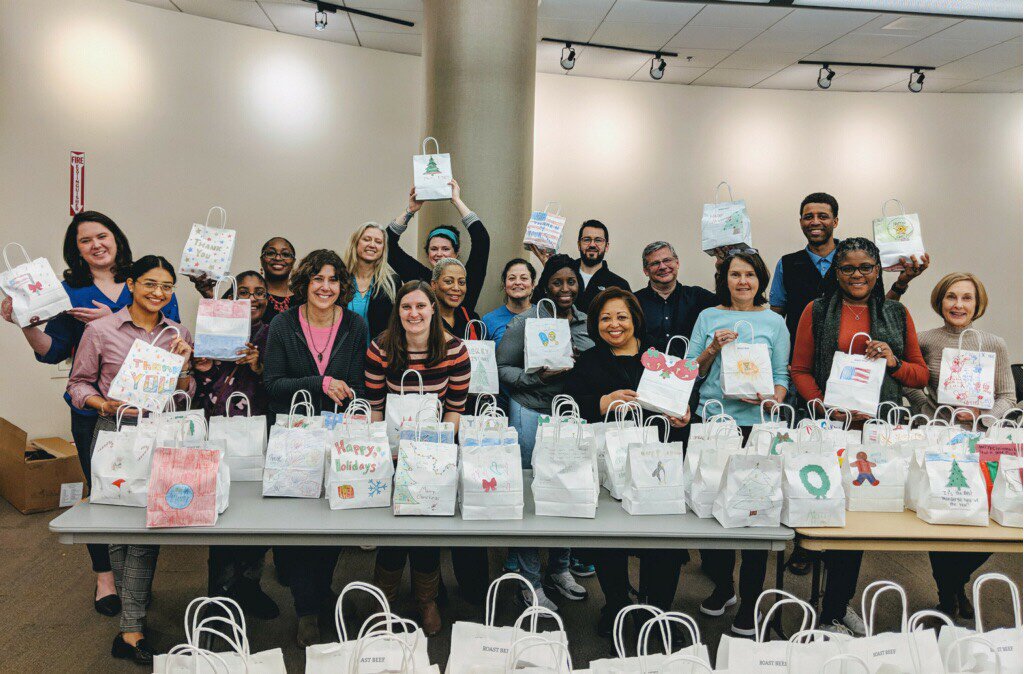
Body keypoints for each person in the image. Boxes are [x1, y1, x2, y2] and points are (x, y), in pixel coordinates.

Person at [0, 211, 179, 618]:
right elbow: (53, 352)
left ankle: (137, 578)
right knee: (101, 490)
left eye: (103, 235)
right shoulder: (68, 291)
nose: (96, 244)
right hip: (95, 411)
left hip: (149, 410)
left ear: (117, 238)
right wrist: (23, 323)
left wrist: (114, 322)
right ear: (76, 249)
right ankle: (105, 576)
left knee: (143, 490)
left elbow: (171, 336)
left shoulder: (147, 280)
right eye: (85, 240)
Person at [790, 237, 929, 634]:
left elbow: (919, 375)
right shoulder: (816, 311)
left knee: (859, 520)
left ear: (877, 270)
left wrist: (893, 361)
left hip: (876, 436)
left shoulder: (896, 313)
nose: (857, 275)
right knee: (826, 516)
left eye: (866, 267)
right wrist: (822, 405)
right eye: (848, 268)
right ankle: (825, 602)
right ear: (836, 272)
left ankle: (835, 606)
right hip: (830, 430)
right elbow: (799, 369)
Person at [66, 255, 195, 664]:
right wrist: (103, 404)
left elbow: (185, 393)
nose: (159, 292)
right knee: (117, 527)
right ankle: (131, 619)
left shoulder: (178, 333)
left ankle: (131, 626)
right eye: (150, 283)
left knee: (145, 527)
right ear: (132, 285)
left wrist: (184, 366)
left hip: (160, 433)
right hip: (114, 431)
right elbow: (77, 384)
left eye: (167, 286)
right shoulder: (101, 330)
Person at [564, 288, 690, 635]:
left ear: (635, 318)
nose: (614, 324)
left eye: (621, 316)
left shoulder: (660, 358)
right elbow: (568, 403)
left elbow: (682, 404)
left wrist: (683, 415)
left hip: (658, 463)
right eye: (605, 318)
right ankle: (616, 606)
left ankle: (657, 612)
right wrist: (603, 402)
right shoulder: (589, 361)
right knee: (610, 540)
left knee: (663, 541)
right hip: (610, 467)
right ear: (595, 324)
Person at [262, 249, 367, 646]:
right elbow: (272, 385)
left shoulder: (354, 324)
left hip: (339, 437)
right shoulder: (282, 324)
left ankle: (320, 593)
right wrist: (319, 383)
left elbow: (359, 383)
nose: (325, 287)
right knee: (299, 526)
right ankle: (308, 609)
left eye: (333, 279)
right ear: (304, 283)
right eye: (318, 279)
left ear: (342, 286)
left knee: (334, 520)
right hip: (294, 438)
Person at [684, 249, 790, 636]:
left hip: (756, 428)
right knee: (711, 505)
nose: (742, 281)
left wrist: (774, 398)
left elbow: (782, 377)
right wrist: (713, 348)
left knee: (755, 513)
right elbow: (689, 371)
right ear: (724, 279)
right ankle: (723, 585)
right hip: (714, 422)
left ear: (760, 280)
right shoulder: (708, 317)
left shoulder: (774, 322)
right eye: (735, 274)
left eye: (749, 275)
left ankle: (750, 599)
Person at [905, 272, 1017, 620]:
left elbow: (1008, 395)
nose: (958, 304)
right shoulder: (925, 340)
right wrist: (929, 409)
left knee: (986, 517)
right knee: (944, 512)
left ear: (977, 304)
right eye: (951, 296)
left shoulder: (994, 343)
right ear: (940, 301)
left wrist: (984, 417)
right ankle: (948, 596)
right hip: (939, 438)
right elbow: (908, 381)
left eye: (966, 298)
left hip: (982, 441)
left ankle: (956, 583)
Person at [365, 281, 471, 636]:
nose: (414, 313)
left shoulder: (455, 350)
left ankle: (426, 600)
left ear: (433, 309)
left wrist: (436, 456)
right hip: (393, 448)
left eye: (421, 306)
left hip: (434, 450)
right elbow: (375, 407)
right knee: (394, 531)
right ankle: (384, 602)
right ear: (397, 311)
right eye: (406, 307)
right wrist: (384, 458)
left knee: (426, 528)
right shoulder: (380, 348)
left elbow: (455, 409)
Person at [496, 254, 595, 610]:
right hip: (530, 410)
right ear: (544, 287)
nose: (565, 289)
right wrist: (536, 377)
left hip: (571, 416)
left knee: (568, 490)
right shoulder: (526, 321)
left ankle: (560, 568)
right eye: (557, 282)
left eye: (571, 282)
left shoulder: (587, 322)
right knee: (529, 494)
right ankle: (531, 580)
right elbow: (501, 367)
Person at [192, 271, 277, 620]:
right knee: (221, 506)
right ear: (233, 298)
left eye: (259, 292)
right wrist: (204, 367)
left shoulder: (275, 332)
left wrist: (259, 366)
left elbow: (279, 383)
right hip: (219, 426)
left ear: (268, 298)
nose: (253, 298)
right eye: (244, 291)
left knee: (258, 511)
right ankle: (219, 592)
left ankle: (249, 585)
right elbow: (203, 383)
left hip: (261, 428)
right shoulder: (216, 327)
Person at [769, 192, 930, 345]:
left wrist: (901, 284)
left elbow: (881, 311)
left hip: (851, 354)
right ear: (801, 222)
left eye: (823, 216)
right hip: (799, 357)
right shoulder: (786, 264)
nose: (815, 222)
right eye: (808, 217)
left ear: (835, 222)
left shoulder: (860, 259)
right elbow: (776, 318)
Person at [386, 179, 490, 314]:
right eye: (434, 249)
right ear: (428, 253)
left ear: (456, 253)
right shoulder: (420, 277)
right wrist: (410, 210)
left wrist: (457, 201)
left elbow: (481, 240)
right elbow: (386, 245)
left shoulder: (466, 279)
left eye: (445, 249)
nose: (439, 254)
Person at [634, 241, 718, 357]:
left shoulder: (698, 296)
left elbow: (729, 303)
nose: (663, 267)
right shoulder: (634, 302)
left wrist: (721, 265)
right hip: (644, 368)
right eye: (655, 263)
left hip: (692, 367)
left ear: (677, 263)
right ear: (646, 271)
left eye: (667, 260)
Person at [529, 219, 630, 313]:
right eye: (587, 239)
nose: (592, 244)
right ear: (579, 244)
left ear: (606, 246)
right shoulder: (563, 272)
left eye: (598, 240)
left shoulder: (619, 285)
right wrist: (549, 269)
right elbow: (536, 304)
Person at [342, 222, 400, 344]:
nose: (372, 245)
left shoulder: (392, 282)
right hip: (343, 353)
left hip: (378, 353)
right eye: (367, 239)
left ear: (383, 249)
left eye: (378, 242)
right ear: (355, 243)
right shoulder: (340, 279)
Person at [481, 258, 536, 344]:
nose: (517, 282)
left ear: (532, 284)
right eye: (512, 278)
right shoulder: (488, 320)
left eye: (524, 278)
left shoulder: (543, 316)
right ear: (504, 284)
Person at [431, 258, 481, 339]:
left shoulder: (472, 318)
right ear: (434, 285)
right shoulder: (423, 318)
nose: (456, 288)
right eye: (449, 281)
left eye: (461, 282)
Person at [260, 237, 298, 322]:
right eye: (271, 253)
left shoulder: (303, 297)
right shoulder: (247, 294)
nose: (277, 258)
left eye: (285, 254)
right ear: (261, 260)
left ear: (293, 262)